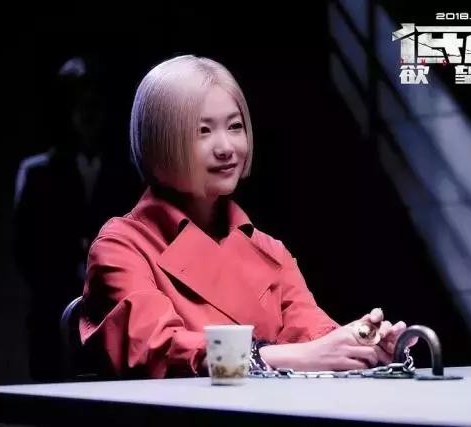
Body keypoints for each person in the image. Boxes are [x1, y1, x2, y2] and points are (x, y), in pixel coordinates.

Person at [79, 54, 413, 378]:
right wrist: (281, 357)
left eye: (235, 127)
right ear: (160, 140)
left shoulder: (270, 250)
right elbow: (157, 349)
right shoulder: (121, 247)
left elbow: (312, 333)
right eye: (203, 131)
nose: (226, 147)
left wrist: (360, 342)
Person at [14, 56, 140, 381]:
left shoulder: (128, 173)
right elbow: (24, 246)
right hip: (51, 313)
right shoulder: (37, 172)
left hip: (113, 312)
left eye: (95, 102)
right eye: (79, 103)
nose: (88, 112)